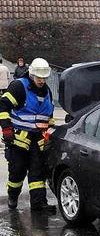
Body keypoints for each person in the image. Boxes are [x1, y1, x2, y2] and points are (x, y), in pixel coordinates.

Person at [0, 58, 56, 212]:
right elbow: (3, 105)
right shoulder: (19, 86)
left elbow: (49, 117)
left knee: (38, 174)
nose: (42, 81)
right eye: (39, 77)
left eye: (44, 78)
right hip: (18, 141)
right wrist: (6, 128)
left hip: (38, 142)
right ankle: (13, 196)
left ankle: (39, 205)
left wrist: (50, 134)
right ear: (31, 74)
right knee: (17, 173)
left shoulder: (47, 92)